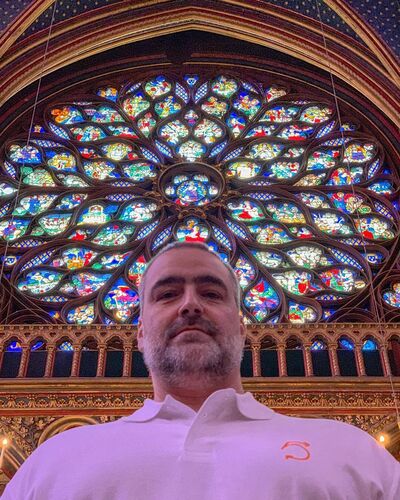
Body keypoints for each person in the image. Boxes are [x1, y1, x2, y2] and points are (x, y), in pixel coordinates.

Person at [2, 242, 400, 499]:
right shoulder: (55, 461)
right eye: (167, 294)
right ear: (139, 333)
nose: (190, 305)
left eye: (211, 293)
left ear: (242, 328)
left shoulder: (350, 451)